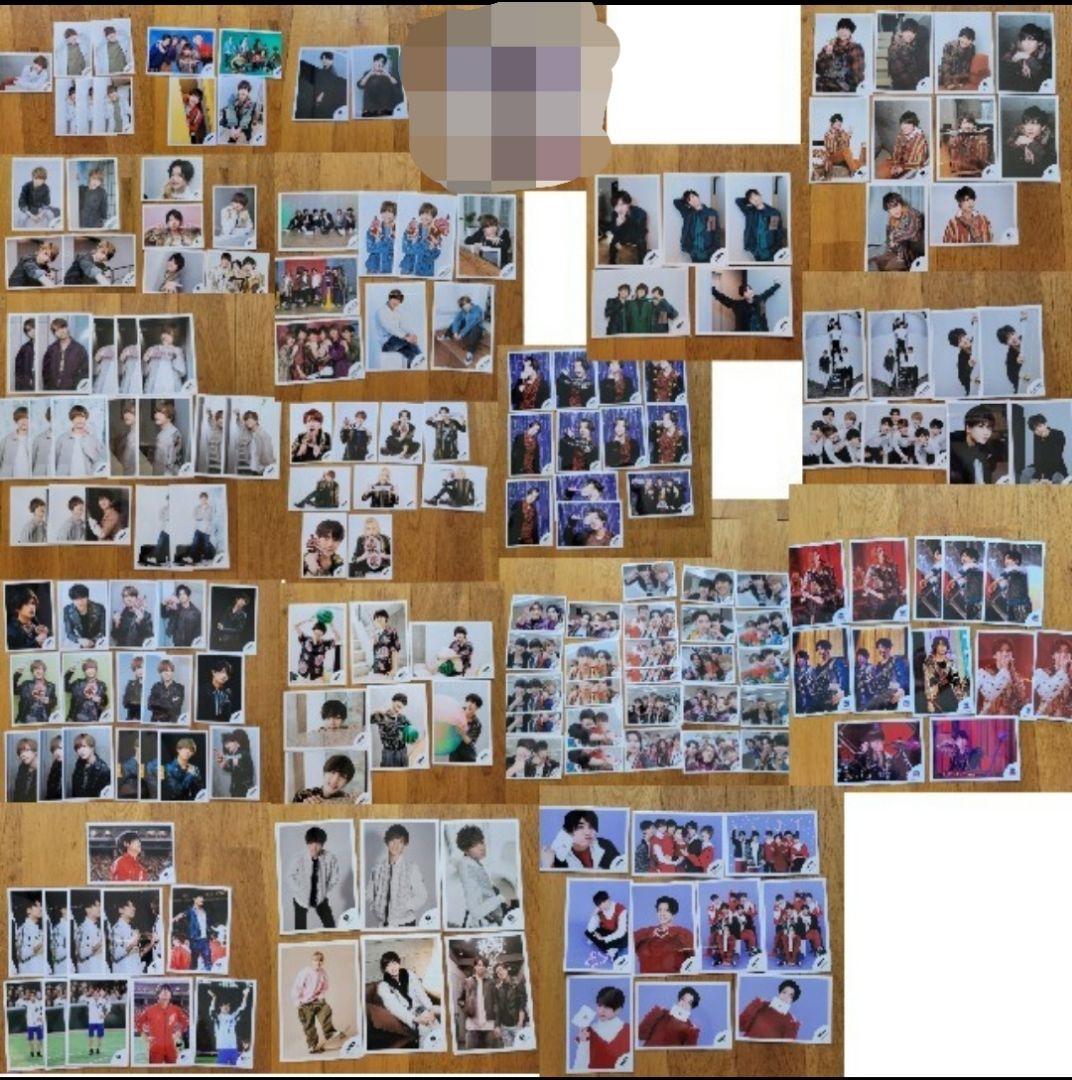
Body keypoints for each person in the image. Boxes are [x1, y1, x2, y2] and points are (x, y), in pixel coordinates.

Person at [375, 950, 442, 1050]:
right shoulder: (383, 987)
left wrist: (430, 1009)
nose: (392, 967)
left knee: (438, 1022)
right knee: (424, 1028)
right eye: (388, 965)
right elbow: (396, 1008)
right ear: (384, 969)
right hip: (407, 1015)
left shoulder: (409, 974)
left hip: (421, 1009)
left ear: (399, 963)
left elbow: (421, 994)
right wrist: (415, 1019)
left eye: (394, 963)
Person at [452, 824, 513, 927]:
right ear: (466, 850)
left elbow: (482, 888)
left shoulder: (473, 863)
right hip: (487, 922)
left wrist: (496, 891)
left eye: (481, 842)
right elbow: (476, 912)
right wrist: (502, 897)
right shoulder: (469, 869)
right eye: (474, 845)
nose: (482, 847)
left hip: (493, 912)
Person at [368, 823, 428, 928]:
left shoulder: (411, 868)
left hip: (405, 924)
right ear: (387, 842)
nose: (396, 845)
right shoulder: (377, 869)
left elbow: (422, 895)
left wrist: (405, 906)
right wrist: (376, 907)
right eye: (392, 841)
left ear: (405, 844)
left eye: (400, 842)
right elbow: (369, 893)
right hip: (383, 925)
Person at [291, 950, 345, 1055]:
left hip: (317, 1001)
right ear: (312, 961)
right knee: (309, 1025)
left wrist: (321, 996)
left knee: (326, 1011)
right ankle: (312, 1045)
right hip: (305, 1003)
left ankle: (329, 1032)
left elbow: (325, 986)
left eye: (320, 960)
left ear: (323, 962)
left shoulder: (323, 973)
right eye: (316, 960)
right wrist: (297, 1001)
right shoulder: (305, 972)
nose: (318, 963)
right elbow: (297, 987)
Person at [286, 826, 340, 930]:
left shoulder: (330, 857)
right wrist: (299, 890)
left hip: (320, 897)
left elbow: (334, 877)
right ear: (307, 843)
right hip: (300, 898)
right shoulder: (298, 857)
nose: (314, 847)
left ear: (322, 844)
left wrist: (324, 890)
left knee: (330, 925)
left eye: (318, 844)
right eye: (311, 843)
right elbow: (289, 876)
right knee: (300, 929)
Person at [572, 984, 630, 1071]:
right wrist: (583, 1043)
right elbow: (579, 1068)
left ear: (618, 1010)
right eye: (599, 1005)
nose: (601, 1011)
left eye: (607, 1007)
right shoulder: (587, 1031)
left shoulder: (629, 1031)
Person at [633, 895, 695, 974]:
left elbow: (694, 953)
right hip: (646, 978)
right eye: (659, 910)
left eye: (667, 910)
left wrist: (671, 932)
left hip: (673, 979)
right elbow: (629, 942)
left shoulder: (684, 933)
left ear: (673, 913)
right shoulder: (646, 932)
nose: (662, 913)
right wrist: (651, 933)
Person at [544, 809, 622, 870]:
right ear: (568, 831)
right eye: (580, 827)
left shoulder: (604, 845)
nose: (587, 832)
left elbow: (620, 865)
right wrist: (549, 865)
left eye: (591, 827)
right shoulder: (560, 856)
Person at [133, 985, 189, 1065]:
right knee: (155, 1071)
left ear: (170, 995)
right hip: (156, 1047)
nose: (166, 992)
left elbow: (185, 1021)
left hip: (171, 1047)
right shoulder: (150, 1010)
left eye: (168, 990)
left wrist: (178, 1033)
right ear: (158, 995)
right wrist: (145, 1037)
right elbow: (138, 1022)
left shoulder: (176, 1009)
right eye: (163, 990)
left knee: (172, 1070)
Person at [869, 191, 924, 271]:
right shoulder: (892, 219)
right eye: (891, 208)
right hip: (898, 251)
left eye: (896, 206)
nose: (895, 210)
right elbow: (889, 239)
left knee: (885, 267)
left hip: (914, 251)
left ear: (901, 204)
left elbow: (912, 234)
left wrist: (894, 237)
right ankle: (883, 260)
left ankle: (901, 264)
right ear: (888, 211)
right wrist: (891, 243)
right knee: (878, 262)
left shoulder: (913, 213)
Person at [949, 405, 1004, 484]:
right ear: (968, 428)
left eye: (989, 428)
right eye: (981, 427)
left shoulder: (986, 451)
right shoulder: (954, 448)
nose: (986, 433)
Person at [373, 288, 424, 367]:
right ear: (390, 298)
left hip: (398, 342)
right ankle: (422, 360)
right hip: (387, 344)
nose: (396, 302)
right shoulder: (381, 311)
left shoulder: (397, 312)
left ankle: (413, 369)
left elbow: (404, 326)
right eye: (394, 299)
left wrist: (412, 335)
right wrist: (406, 337)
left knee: (412, 355)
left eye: (398, 301)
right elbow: (390, 328)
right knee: (411, 343)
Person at [739, 978, 803, 1040]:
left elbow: (787, 1045)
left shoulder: (790, 1021)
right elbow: (740, 1026)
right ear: (779, 993)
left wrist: (792, 1027)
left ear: (792, 1000)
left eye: (790, 995)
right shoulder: (761, 1005)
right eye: (784, 992)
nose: (786, 996)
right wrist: (753, 1007)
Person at [1004, 104, 1056, 179]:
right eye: (1026, 123)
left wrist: (1031, 143)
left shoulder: (1051, 141)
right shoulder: (1016, 138)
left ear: (1043, 127)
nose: (1029, 128)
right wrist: (1016, 145)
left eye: (1034, 124)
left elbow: (1049, 165)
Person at [638, 986, 702, 1047]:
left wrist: (693, 1034)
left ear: (691, 1007)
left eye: (689, 1003)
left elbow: (688, 1052)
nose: (684, 1004)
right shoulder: (661, 1013)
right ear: (679, 1000)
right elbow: (640, 1034)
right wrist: (655, 1013)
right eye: (683, 999)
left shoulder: (690, 1029)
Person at [711, 279, 781, 333]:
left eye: (750, 289)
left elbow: (768, 292)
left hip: (762, 332)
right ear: (743, 295)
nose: (749, 292)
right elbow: (725, 299)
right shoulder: (738, 305)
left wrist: (777, 284)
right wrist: (713, 291)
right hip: (747, 336)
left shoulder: (760, 299)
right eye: (746, 291)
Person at [1000, 20, 1052, 93]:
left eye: (1031, 40)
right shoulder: (1017, 49)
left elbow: (1045, 78)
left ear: (1040, 42)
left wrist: (1028, 58)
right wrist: (1019, 63)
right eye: (1023, 40)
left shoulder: (1049, 55)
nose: (1026, 44)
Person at [735, 188, 786, 261]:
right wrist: (748, 200)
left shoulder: (773, 213)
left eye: (755, 196)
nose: (755, 199)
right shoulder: (750, 212)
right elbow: (738, 201)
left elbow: (776, 232)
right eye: (751, 199)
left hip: (770, 251)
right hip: (756, 251)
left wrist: (776, 249)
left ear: (760, 196)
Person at [672, 188, 721, 261]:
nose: (692, 199)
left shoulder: (710, 213)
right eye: (689, 200)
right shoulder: (688, 214)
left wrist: (714, 250)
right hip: (694, 253)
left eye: (693, 196)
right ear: (688, 204)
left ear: (698, 197)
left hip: (707, 253)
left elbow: (713, 232)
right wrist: (686, 201)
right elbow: (676, 202)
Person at [206, 985, 250, 1066]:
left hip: (233, 1048)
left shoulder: (233, 1016)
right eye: (224, 1005)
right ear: (220, 1007)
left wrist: (245, 995)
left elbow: (242, 1007)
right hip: (222, 1049)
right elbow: (211, 1009)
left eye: (228, 1005)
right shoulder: (217, 1018)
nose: (226, 1007)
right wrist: (214, 997)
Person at [602, 189, 648, 264]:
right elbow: (613, 231)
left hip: (636, 235)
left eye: (622, 204)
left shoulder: (641, 213)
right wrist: (617, 225)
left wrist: (626, 222)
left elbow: (640, 232)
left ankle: (642, 263)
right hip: (622, 235)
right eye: (616, 205)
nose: (619, 208)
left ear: (629, 203)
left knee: (641, 242)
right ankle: (612, 262)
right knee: (613, 242)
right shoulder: (614, 214)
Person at [437, 294, 485, 366]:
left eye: (466, 304)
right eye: (463, 306)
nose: (465, 307)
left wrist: (461, 334)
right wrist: (455, 332)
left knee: (475, 329)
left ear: (470, 302)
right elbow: (457, 320)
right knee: (456, 322)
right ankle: (447, 335)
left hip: (477, 329)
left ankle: (470, 353)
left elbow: (470, 325)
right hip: (467, 328)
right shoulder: (464, 310)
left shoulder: (477, 310)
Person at [293, 753, 358, 804]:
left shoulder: (348, 800)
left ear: (346, 783)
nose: (335, 780)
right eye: (333, 772)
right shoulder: (303, 796)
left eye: (342, 776)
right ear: (324, 773)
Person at [1021, 413, 1067, 483]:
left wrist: (1045, 476)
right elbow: (1037, 456)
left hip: (1056, 467)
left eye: (1040, 426)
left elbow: (1056, 456)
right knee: (1025, 472)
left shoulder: (1058, 434)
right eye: (1035, 430)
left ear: (1045, 424)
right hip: (1040, 466)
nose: (1039, 431)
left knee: (1057, 478)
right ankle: (1025, 490)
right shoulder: (1037, 436)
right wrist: (1041, 476)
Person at [883, 110, 928, 179]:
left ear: (914, 125)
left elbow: (919, 163)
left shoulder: (921, 140)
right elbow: (896, 152)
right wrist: (895, 165)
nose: (904, 127)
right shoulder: (901, 135)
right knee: (883, 168)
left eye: (908, 124)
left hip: (912, 170)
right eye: (903, 123)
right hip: (900, 166)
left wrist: (902, 168)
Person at [885, 16, 927, 90]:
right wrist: (918, 82)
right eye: (908, 31)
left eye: (913, 32)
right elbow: (901, 75)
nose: (910, 35)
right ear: (902, 32)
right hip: (902, 88)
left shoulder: (910, 47)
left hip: (909, 86)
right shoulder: (895, 48)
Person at [357, 51, 404, 116]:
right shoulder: (367, 73)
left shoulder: (387, 74)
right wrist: (371, 73)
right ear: (374, 62)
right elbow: (360, 85)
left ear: (383, 64)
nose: (379, 63)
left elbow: (396, 84)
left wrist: (387, 74)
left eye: (381, 62)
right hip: (369, 108)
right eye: (377, 61)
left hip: (385, 109)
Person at [818, 112, 862, 179]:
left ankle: (851, 168)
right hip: (832, 157)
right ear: (834, 122)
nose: (840, 124)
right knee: (846, 151)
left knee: (858, 162)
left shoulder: (841, 132)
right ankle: (855, 172)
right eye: (838, 122)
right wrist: (836, 138)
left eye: (841, 122)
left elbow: (846, 146)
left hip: (841, 157)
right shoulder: (828, 134)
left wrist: (848, 136)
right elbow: (831, 150)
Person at [939, 25, 982, 91]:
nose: (965, 41)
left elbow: (968, 66)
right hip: (946, 75)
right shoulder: (949, 46)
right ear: (959, 37)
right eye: (964, 37)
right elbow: (945, 65)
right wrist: (948, 83)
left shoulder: (972, 48)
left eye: (969, 39)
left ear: (971, 41)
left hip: (960, 78)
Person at [69, 731, 111, 798]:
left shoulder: (104, 770)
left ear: (92, 747)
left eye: (84, 746)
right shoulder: (78, 766)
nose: (81, 751)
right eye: (78, 748)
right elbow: (75, 793)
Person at [215, 729, 255, 798]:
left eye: (227, 742)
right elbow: (230, 769)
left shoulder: (244, 754)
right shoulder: (234, 755)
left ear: (236, 742)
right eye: (225, 744)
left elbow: (246, 773)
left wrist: (236, 764)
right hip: (235, 790)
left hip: (244, 791)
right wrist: (222, 764)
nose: (226, 746)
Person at [162, 736, 205, 801]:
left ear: (193, 753)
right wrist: (190, 774)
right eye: (185, 748)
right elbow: (176, 791)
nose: (188, 751)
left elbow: (200, 789)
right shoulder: (168, 768)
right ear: (178, 749)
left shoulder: (194, 768)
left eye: (191, 750)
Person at [147, 659, 185, 724]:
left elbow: (175, 707)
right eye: (164, 671)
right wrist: (169, 701)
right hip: (155, 723)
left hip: (171, 723)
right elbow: (150, 705)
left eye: (169, 671)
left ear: (172, 672)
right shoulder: (156, 686)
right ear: (160, 673)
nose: (167, 674)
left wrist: (157, 702)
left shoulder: (179, 688)